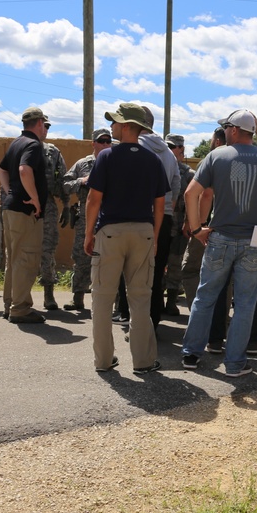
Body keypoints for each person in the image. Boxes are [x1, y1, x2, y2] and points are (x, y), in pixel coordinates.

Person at [181, 109, 257, 377]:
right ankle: (235, 362)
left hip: (220, 237)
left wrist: (197, 228)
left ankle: (191, 353)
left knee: (206, 296)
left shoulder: (216, 156)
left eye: (226, 127)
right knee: (246, 302)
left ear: (235, 130)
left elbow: (192, 193)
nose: (224, 131)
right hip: (255, 239)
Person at [85, 103, 169, 374]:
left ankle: (104, 360)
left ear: (128, 126)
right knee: (141, 298)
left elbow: (93, 199)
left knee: (102, 297)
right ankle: (143, 361)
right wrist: (153, 237)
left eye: (115, 122)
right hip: (142, 232)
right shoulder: (153, 159)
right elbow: (160, 204)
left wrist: (89, 234)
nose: (111, 126)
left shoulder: (106, 156)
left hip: (110, 232)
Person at [0, 107, 48, 324]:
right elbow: (24, 170)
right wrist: (34, 198)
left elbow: (1, 169)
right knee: (26, 259)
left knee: (14, 257)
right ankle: (20, 308)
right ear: (38, 123)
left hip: (11, 207)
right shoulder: (33, 144)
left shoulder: (16, 142)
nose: (45, 129)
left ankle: (10, 304)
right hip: (25, 211)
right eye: (45, 125)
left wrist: (11, 192)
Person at [137, 107, 182, 330]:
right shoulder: (168, 152)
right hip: (163, 218)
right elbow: (176, 183)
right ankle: (153, 321)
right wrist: (167, 208)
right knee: (156, 272)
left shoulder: (135, 148)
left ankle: (139, 324)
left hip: (140, 217)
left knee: (136, 273)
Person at [60, 128, 112, 312]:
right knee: (81, 257)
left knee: (110, 259)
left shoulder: (115, 162)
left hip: (109, 217)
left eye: (108, 141)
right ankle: (78, 298)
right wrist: (81, 181)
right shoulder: (82, 164)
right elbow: (65, 185)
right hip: (85, 217)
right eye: (102, 141)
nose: (105, 144)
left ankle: (109, 303)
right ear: (93, 143)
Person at [180, 126, 226, 306]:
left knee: (191, 269)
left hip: (207, 225)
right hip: (230, 226)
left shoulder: (210, 160)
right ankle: (220, 319)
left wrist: (198, 226)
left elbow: (205, 194)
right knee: (223, 274)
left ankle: (199, 314)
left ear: (216, 141)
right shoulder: (241, 160)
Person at [164, 134, 195, 316]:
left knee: (175, 264)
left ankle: (172, 300)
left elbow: (194, 201)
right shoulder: (159, 168)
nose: (170, 150)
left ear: (181, 151)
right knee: (158, 264)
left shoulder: (189, 174)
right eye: (167, 146)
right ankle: (158, 300)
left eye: (174, 147)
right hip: (161, 225)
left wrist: (188, 224)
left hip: (179, 226)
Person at [39, 130, 68, 310]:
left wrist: (65, 206)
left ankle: (48, 294)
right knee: (22, 252)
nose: (44, 129)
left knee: (47, 249)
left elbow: (62, 178)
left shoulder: (53, 151)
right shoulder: (21, 147)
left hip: (47, 204)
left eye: (46, 125)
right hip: (23, 206)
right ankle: (19, 297)